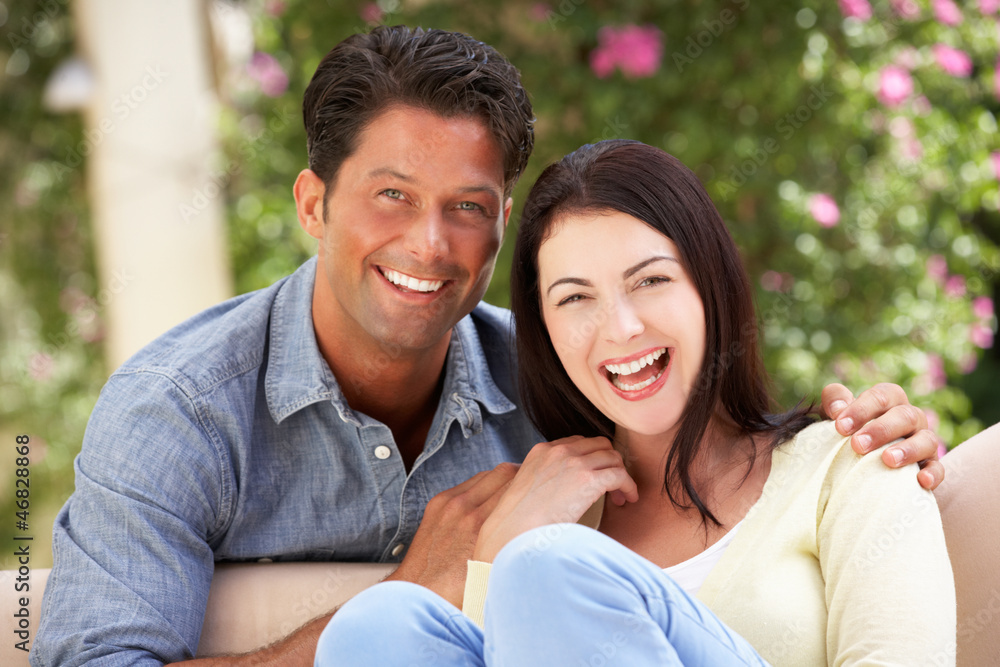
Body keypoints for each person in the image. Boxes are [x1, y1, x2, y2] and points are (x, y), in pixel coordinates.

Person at [32, 27, 944, 667]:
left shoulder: (557, 381)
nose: (429, 243)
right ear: (312, 204)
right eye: (391, 194)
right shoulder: (178, 410)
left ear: (500, 225)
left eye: (466, 207)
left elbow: (714, 429)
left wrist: (880, 433)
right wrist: (424, 582)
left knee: (545, 569)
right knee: (380, 632)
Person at [313, 141, 956, 665]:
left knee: (549, 570)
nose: (619, 328)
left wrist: (528, 560)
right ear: (544, 331)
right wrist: (498, 552)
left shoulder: (854, 459)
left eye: (650, 280)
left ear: (709, 285)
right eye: (574, 298)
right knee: (372, 629)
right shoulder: (546, 517)